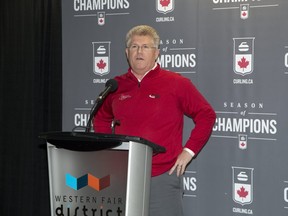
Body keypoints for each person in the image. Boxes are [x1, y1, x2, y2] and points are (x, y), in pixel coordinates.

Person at [93, 25, 216, 216]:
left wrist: (188, 152)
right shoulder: (115, 86)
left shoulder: (176, 83)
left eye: (146, 47)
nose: (139, 51)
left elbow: (206, 115)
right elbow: (101, 118)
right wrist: (109, 152)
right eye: (134, 47)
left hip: (163, 177)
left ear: (156, 53)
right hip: (122, 177)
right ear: (127, 52)